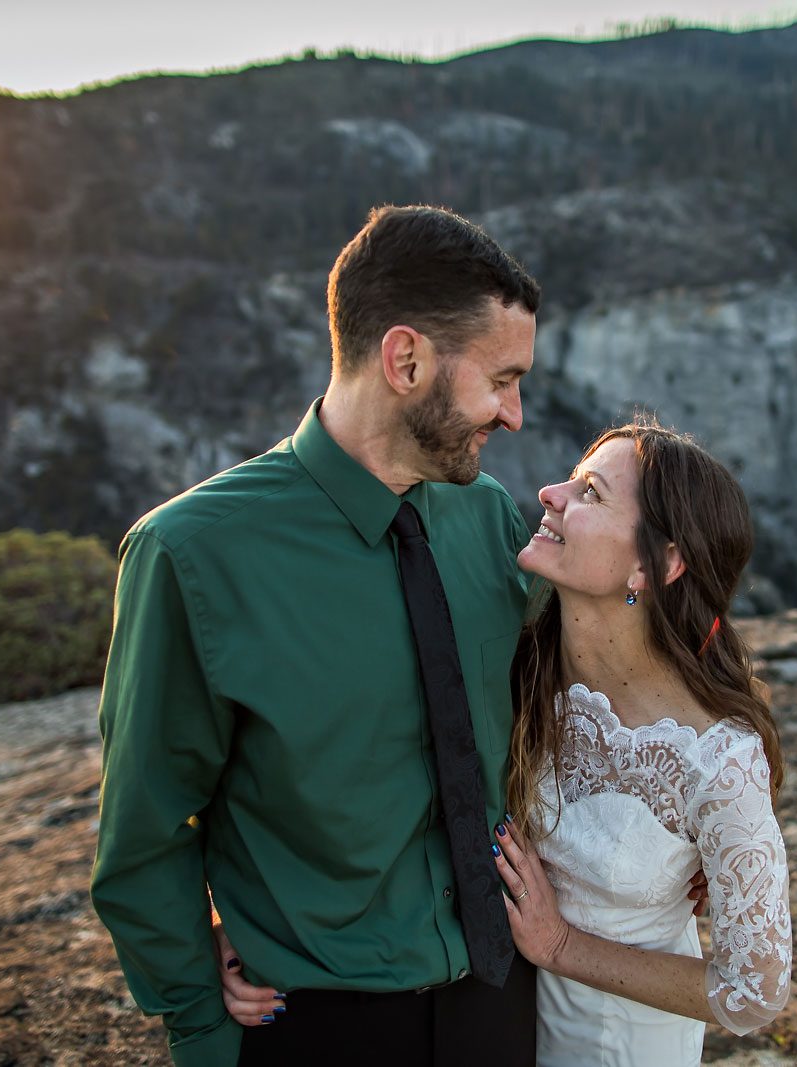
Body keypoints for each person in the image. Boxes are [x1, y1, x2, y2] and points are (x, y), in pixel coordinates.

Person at [91, 204, 544, 1067]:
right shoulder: (192, 554)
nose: (515, 414)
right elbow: (143, 830)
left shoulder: (487, 516)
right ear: (405, 358)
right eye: (502, 379)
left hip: (500, 1005)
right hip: (315, 1029)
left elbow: (565, 705)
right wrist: (199, 1020)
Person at [496, 421, 791, 1065]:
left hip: (618, 1046)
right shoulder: (520, 661)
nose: (549, 493)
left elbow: (755, 993)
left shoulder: (718, 759)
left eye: (591, 493)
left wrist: (560, 946)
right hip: (499, 1023)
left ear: (654, 563)